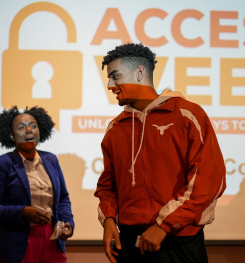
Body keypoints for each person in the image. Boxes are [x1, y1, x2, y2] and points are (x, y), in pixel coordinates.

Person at [94, 43, 226, 263]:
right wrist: (108, 219)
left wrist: (163, 225)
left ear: (139, 73)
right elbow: (108, 184)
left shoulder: (187, 115)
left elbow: (209, 180)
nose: (110, 85)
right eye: (109, 78)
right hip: (129, 242)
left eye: (115, 76)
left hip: (178, 242)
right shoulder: (116, 127)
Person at [0, 106, 74, 263]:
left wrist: (67, 223)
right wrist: (22, 212)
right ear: (11, 136)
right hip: (16, 245)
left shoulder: (51, 160)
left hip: (52, 242)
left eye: (33, 125)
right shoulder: (1, 164)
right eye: (21, 127)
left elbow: (63, 199)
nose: (29, 130)